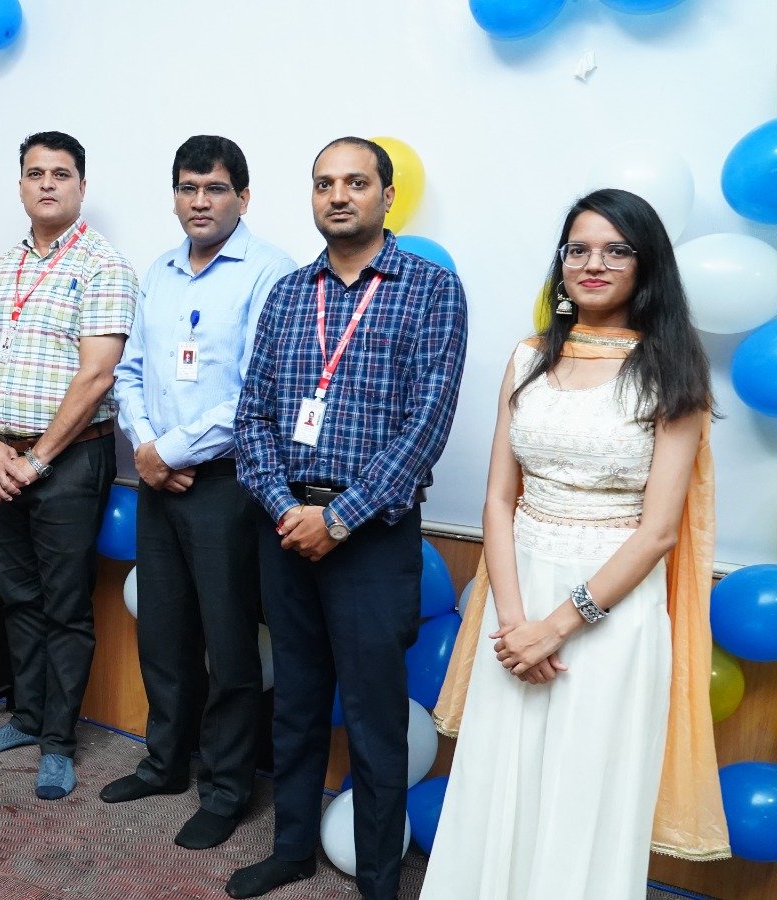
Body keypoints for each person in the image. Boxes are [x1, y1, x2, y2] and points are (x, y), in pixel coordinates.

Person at [422, 189, 729, 898]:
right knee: (497, 779)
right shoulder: (530, 356)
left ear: (646, 266)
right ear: (562, 263)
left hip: (611, 609)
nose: (594, 264)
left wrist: (558, 626)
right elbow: (499, 499)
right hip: (515, 599)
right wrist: (513, 625)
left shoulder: (673, 370)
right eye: (579, 249)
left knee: (583, 791)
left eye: (616, 250)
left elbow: (659, 532)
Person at [228, 138, 467, 900]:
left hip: (371, 537)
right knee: (296, 703)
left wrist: (337, 520)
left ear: (386, 196)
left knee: (373, 717)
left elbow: (426, 426)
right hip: (285, 527)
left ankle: (378, 879)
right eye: (324, 183)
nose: (338, 195)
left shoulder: (431, 290)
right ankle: (291, 849)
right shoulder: (289, 294)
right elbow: (252, 416)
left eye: (356, 182)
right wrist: (286, 509)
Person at [106, 135, 294, 849]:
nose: (200, 201)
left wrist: (169, 452)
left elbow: (257, 392)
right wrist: (147, 449)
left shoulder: (271, 273)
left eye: (215, 188)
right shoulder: (159, 271)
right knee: (164, 633)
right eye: (188, 187)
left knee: (229, 646)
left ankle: (224, 788)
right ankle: (164, 763)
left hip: (226, 487)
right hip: (158, 479)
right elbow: (129, 371)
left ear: (243, 197)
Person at [0, 131, 137, 801]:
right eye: (35, 173)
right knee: (20, 597)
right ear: (21, 186)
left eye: (61, 174)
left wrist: (36, 459)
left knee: (64, 606)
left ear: (82, 187)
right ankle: (27, 718)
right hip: (1, 456)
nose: (48, 184)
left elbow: (97, 376)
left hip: (68, 460)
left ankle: (58, 742)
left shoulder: (103, 265)